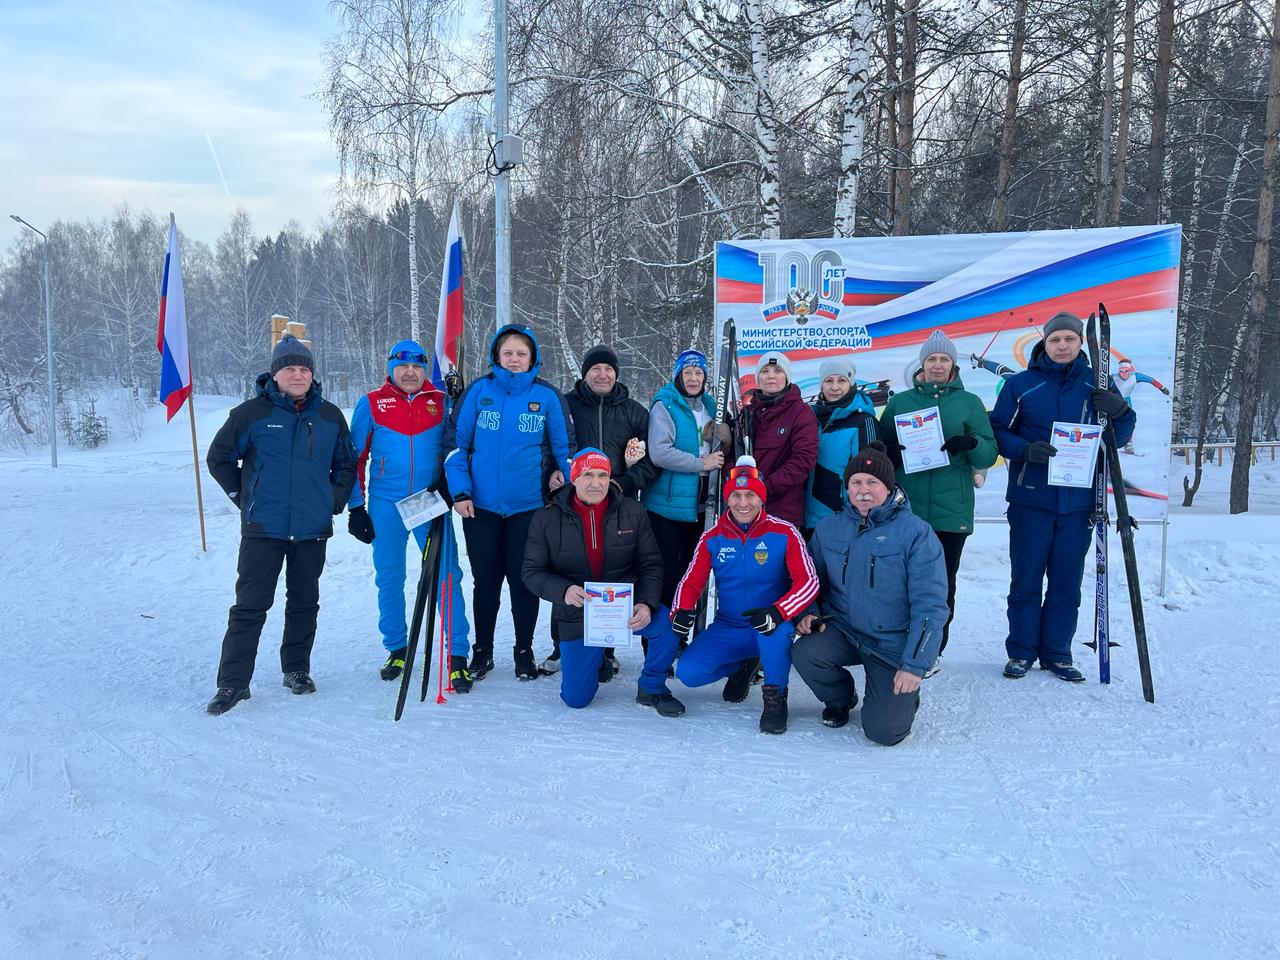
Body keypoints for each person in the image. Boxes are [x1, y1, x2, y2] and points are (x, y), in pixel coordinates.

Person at [205, 334, 356, 715]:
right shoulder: (250, 414)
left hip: (311, 528)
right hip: (264, 528)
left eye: (304, 368)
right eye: (290, 368)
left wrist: (332, 501)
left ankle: (296, 669)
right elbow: (219, 458)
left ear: (312, 374)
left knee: (304, 602)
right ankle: (233, 682)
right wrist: (244, 498)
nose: (298, 374)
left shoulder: (329, 417)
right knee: (250, 606)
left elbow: (346, 465)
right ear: (275, 374)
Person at [989, 311, 1136, 682]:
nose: (1062, 345)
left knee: (1066, 582)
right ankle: (1021, 651)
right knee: (1026, 579)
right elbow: (997, 432)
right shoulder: (1021, 385)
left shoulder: (1096, 382)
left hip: (1079, 502)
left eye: (1069, 339)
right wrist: (1025, 450)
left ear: (1080, 343)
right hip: (1031, 499)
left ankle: (1057, 652)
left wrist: (1121, 412)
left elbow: (1117, 437)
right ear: (1045, 343)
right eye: (1055, 339)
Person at [792, 442, 949, 746]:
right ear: (847, 487)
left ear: (888, 487)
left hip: (891, 642)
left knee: (884, 732)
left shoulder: (916, 533)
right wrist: (808, 612)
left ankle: (900, 699)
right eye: (856, 482)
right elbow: (810, 580)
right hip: (844, 630)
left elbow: (930, 605)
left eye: (872, 482)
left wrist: (914, 665)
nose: (863, 490)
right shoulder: (828, 528)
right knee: (804, 652)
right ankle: (840, 698)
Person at [444, 324, 574, 682]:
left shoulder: (547, 396)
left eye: (521, 354)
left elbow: (566, 450)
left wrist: (564, 483)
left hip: (530, 509)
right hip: (480, 508)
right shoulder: (478, 391)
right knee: (485, 582)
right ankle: (482, 651)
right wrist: (461, 492)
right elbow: (455, 446)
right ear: (496, 356)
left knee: (523, 582)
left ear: (533, 358)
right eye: (508, 353)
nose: (515, 359)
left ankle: (523, 650)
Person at [347, 339, 472, 691]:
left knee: (447, 576)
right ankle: (397, 648)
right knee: (389, 576)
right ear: (391, 368)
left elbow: (459, 446)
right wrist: (356, 507)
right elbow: (354, 458)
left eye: (417, 366)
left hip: (429, 501)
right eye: (402, 366)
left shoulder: (441, 401)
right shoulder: (372, 403)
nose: (410, 372)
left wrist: (460, 400)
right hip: (386, 504)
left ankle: (457, 654)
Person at [523, 448, 685, 716]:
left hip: (622, 604)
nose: (596, 483)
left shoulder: (633, 511)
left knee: (666, 626)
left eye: (602, 475)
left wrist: (646, 603)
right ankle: (596, 659)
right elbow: (532, 572)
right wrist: (564, 591)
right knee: (576, 699)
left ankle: (652, 686)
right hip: (578, 611)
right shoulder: (546, 517)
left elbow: (651, 564)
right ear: (574, 478)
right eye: (588, 475)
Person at [670, 457, 819, 734]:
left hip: (771, 622)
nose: (743, 503)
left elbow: (808, 581)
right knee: (688, 673)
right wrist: (681, 609)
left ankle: (775, 698)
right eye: (736, 495)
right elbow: (690, 581)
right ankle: (743, 664)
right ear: (727, 499)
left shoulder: (785, 532)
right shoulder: (712, 537)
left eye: (750, 495)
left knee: (774, 634)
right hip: (729, 625)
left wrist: (779, 612)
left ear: (762, 498)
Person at [879, 330, 997, 676]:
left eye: (944, 359)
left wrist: (971, 444)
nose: (937, 365)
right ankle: (898, 644)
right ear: (922, 364)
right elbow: (880, 448)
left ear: (953, 365)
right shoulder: (900, 403)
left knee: (942, 584)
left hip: (951, 510)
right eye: (931, 359)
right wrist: (889, 453)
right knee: (900, 583)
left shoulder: (969, 403)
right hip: (907, 509)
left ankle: (932, 650)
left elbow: (989, 452)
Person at [541, 344, 657, 679]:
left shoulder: (635, 412)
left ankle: (607, 647)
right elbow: (549, 446)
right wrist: (551, 473)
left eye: (608, 369)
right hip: (571, 504)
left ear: (616, 374)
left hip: (617, 507)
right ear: (585, 373)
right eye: (595, 369)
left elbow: (651, 461)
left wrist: (621, 483)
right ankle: (562, 646)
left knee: (611, 572)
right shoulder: (566, 405)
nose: (602, 375)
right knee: (568, 571)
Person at [641, 349, 726, 609]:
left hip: (700, 503)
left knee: (693, 569)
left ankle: (685, 623)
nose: (693, 378)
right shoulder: (665, 405)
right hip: (667, 505)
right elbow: (659, 452)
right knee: (667, 570)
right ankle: (662, 626)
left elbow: (719, 451)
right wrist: (702, 463)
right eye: (687, 372)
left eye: (699, 372)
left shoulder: (711, 406)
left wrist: (726, 438)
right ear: (678, 375)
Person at [804, 357, 879, 533]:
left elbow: (870, 474)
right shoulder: (809, 419)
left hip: (845, 522)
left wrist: (860, 520)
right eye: (829, 381)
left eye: (842, 380)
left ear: (851, 385)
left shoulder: (863, 421)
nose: (835, 387)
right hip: (807, 521)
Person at [745, 350, 818, 529]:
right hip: (745, 507)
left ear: (787, 377)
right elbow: (733, 455)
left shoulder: (800, 412)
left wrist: (765, 487)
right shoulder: (747, 414)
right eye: (765, 371)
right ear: (758, 378)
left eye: (778, 371)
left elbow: (803, 460)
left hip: (783, 511)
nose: (771, 376)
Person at [1113, 358, 1170, 454]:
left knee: (1129, 422)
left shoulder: (1135, 376)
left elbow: (1151, 380)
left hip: (1126, 402)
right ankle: (1112, 441)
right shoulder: (1114, 377)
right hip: (1115, 401)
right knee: (1113, 421)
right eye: (1121, 371)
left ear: (1130, 370)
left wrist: (1162, 388)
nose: (1123, 374)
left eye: (1126, 371)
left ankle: (1129, 443)